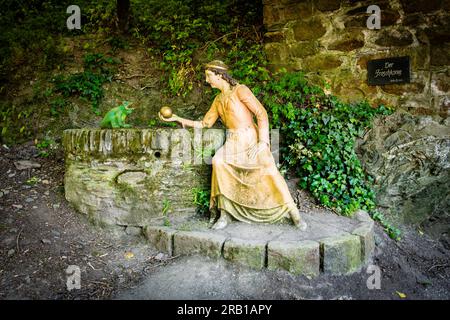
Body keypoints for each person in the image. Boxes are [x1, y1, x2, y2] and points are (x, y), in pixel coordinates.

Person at [159, 60, 307, 230]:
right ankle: (225, 214)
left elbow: (261, 113)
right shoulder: (217, 99)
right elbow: (205, 123)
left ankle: (293, 213)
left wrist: (263, 142)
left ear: (220, 75)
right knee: (218, 162)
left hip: (251, 137)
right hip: (233, 140)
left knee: (268, 167)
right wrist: (178, 119)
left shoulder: (241, 90)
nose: (207, 80)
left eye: (209, 76)